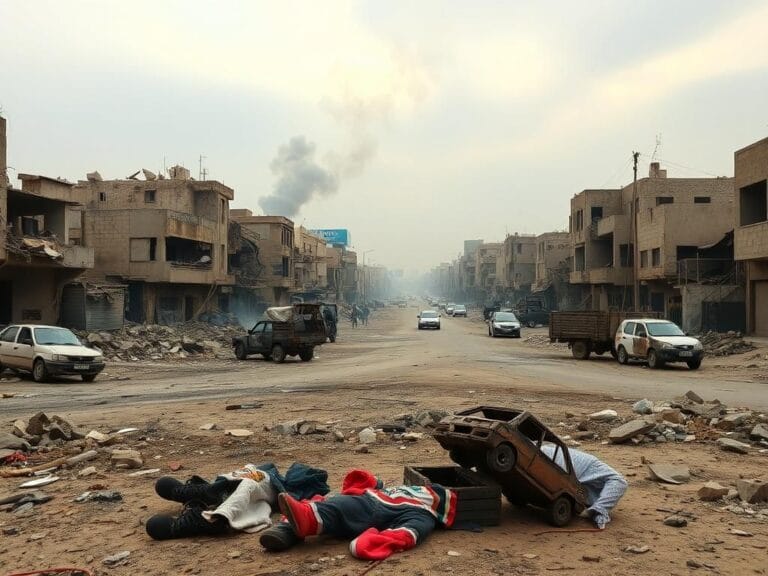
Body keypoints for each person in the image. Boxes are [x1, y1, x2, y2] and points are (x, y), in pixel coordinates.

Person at [260, 469, 457, 560]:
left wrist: (370, 542)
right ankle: (287, 530)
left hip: (368, 510)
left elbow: (407, 534)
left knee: (336, 509)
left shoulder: (424, 514)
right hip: (364, 501)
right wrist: (369, 481)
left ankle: (304, 519)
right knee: (329, 502)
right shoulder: (414, 496)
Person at [541, 444, 627, 529]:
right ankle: (598, 509)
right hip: (580, 465)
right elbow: (619, 481)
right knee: (620, 482)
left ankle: (597, 509)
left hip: (565, 465)